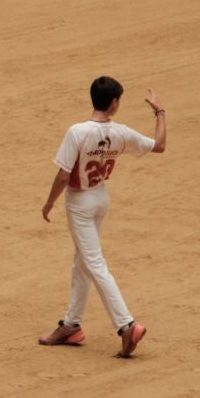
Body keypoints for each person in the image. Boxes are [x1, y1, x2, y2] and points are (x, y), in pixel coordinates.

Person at [37, 76, 166, 359]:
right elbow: (158, 145)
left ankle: (126, 325)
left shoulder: (77, 132)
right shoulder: (121, 133)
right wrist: (159, 112)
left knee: (93, 263)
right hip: (100, 198)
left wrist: (49, 203)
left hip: (80, 202)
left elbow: (62, 174)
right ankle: (71, 325)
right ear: (114, 103)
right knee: (82, 261)